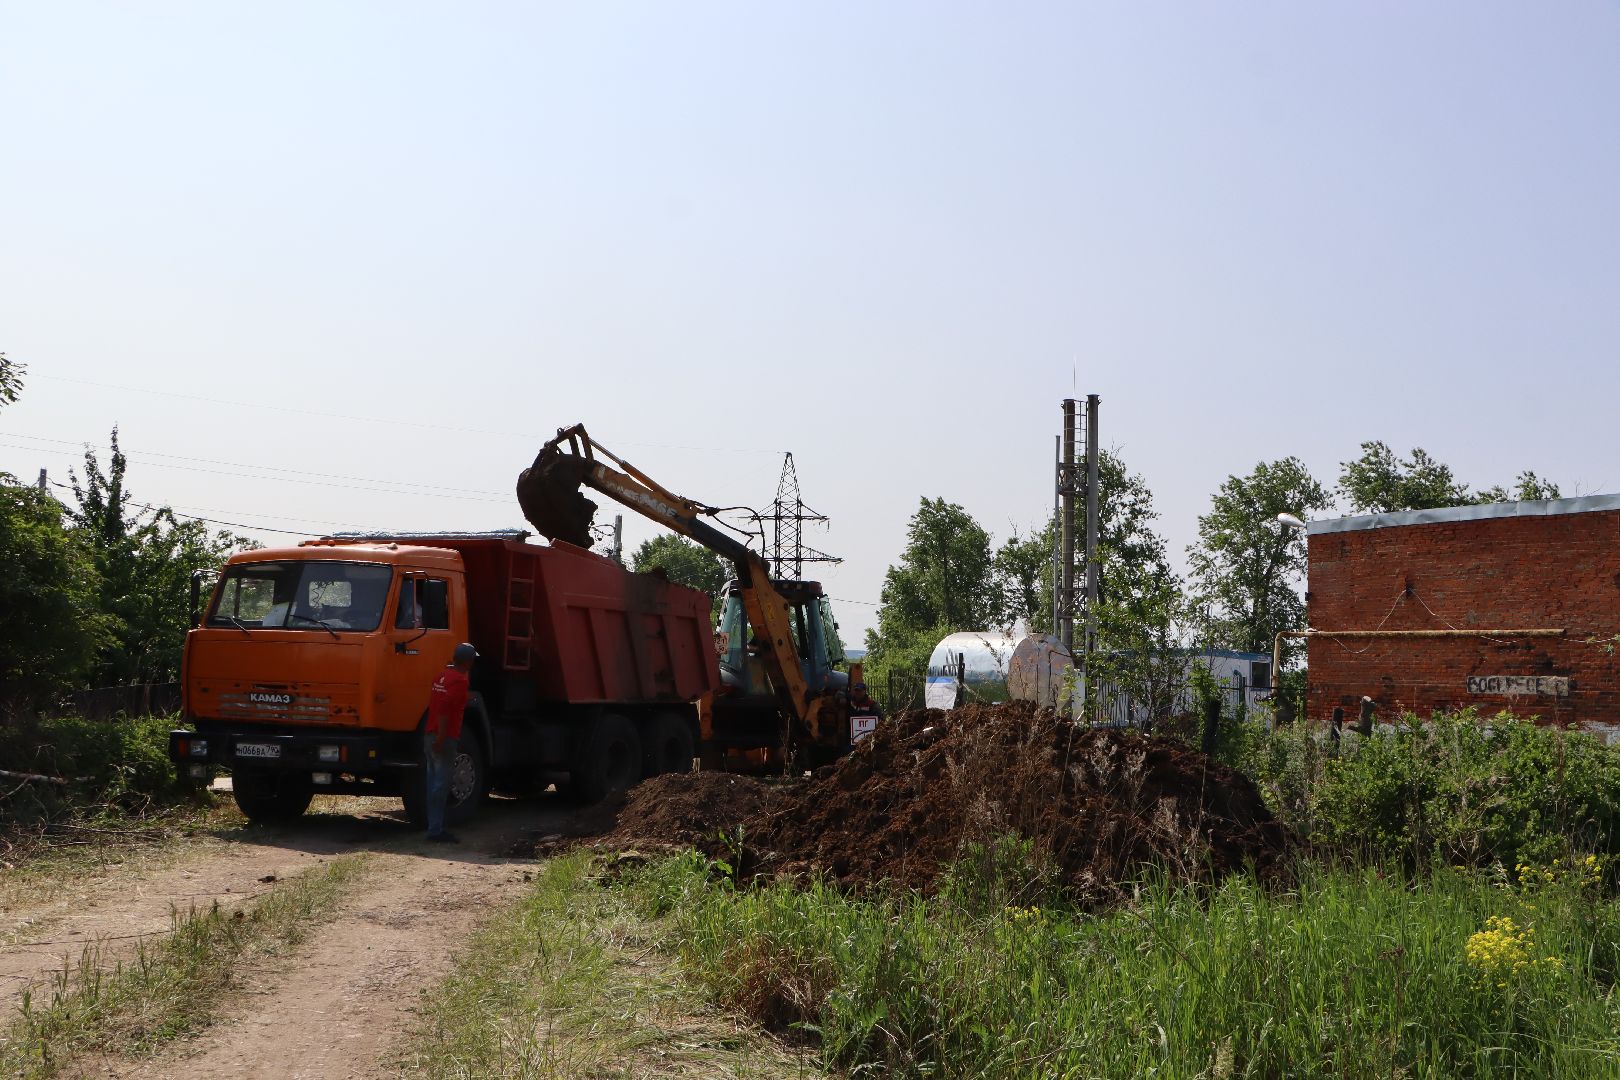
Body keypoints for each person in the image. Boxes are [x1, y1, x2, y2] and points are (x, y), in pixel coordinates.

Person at [424, 642, 476, 843]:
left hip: (429, 734)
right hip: (443, 738)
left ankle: (432, 825)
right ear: (468, 661)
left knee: (431, 783)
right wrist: (442, 736)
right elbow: (445, 708)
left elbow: (439, 702)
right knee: (441, 785)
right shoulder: (460, 681)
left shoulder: (441, 676)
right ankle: (435, 831)